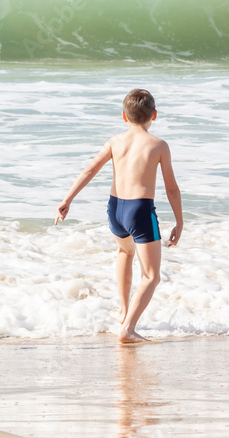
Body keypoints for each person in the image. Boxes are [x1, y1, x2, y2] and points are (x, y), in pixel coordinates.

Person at [56, 88, 183, 343]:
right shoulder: (159, 145)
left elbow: (90, 169)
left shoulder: (115, 141)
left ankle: (124, 310)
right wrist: (179, 221)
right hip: (140, 210)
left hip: (115, 209)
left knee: (125, 252)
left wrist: (67, 199)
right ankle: (128, 329)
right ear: (154, 115)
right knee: (151, 276)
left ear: (124, 117)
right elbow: (171, 187)